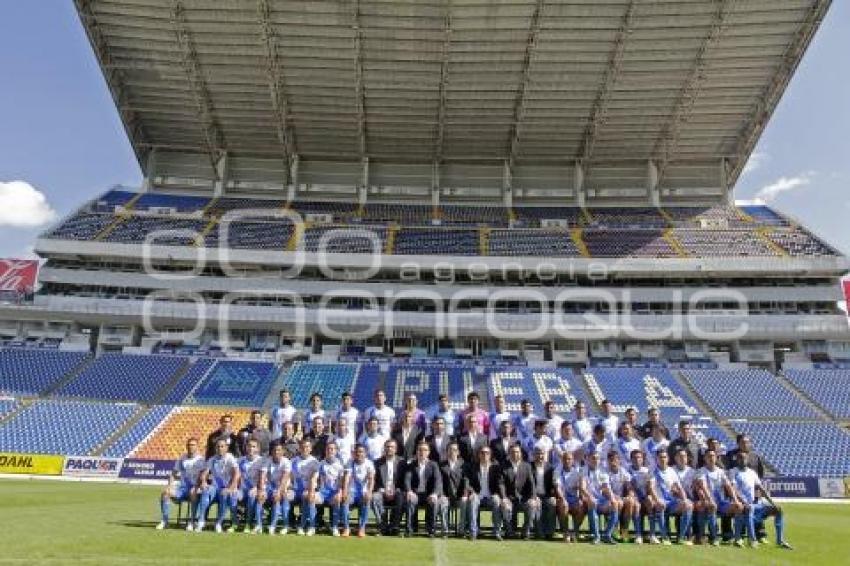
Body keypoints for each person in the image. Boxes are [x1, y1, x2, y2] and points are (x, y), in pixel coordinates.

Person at [730, 452, 791, 549]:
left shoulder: (752, 472)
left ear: (747, 460)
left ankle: (780, 541)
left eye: (744, 458)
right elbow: (733, 489)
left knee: (778, 509)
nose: (742, 460)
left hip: (754, 504)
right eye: (740, 458)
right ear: (737, 460)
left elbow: (761, 489)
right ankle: (752, 540)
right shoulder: (733, 472)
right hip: (741, 504)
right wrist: (742, 501)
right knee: (749, 508)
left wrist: (772, 503)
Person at [694, 448, 741, 546]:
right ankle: (714, 537)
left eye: (713, 456)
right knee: (711, 506)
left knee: (738, 507)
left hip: (721, 502)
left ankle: (737, 538)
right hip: (707, 501)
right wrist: (710, 500)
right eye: (709, 456)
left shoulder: (721, 472)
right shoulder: (701, 471)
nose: (711, 458)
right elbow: (703, 487)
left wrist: (736, 500)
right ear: (705, 458)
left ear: (716, 458)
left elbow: (728, 486)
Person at [156, 437, 204, 531]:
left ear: (197, 446)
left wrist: (197, 486)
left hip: (195, 488)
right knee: (165, 493)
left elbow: (203, 476)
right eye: (189, 445)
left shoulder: (201, 460)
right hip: (182, 488)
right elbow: (173, 473)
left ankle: (192, 521)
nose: (190, 447)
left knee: (193, 493)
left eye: (193, 445)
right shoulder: (182, 458)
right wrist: (169, 486)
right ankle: (165, 521)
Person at [196, 438, 240, 533]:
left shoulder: (230, 458)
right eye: (218, 446)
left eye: (222, 446)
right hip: (215, 488)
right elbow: (204, 473)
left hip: (226, 488)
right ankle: (201, 520)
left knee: (224, 494)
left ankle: (219, 523)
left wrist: (230, 488)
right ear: (215, 448)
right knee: (206, 490)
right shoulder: (212, 459)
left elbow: (237, 473)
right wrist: (203, 482)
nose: (220, 448)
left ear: (226, 448)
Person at [652, 449, 693, 545]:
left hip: (671, 502)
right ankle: (664, 537)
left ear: (668, 459)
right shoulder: (652, 471)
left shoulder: (671, 471)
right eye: (660, 457)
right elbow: (650, 488)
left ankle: (681, 537)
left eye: (665, 457)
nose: (663, 459)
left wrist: (684, 499)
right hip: (659, 501)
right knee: (661, 505)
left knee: (689, 505)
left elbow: (679, 488)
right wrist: (657, 500)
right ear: (656, 459)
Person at [404, 442, 444, 537]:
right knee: (411, 499)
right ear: (416, 452)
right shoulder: (411, 464)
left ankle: (431, 529)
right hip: (416, 494)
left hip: (429, 494)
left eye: (425, 450)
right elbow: (407, 479)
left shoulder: (433, 465)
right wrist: (409, 491)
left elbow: (438, 480)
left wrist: (434, 493)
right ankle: (410, 529)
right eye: (420, 450)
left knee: (434, 501)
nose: (422, 452)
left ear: (428, 452)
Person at [465, 445, 505, 541]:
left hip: (491, 496)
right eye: (482, 453)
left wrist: (500, 496)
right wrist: (472, 492)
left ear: (490, 455)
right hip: (478, 496)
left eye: (487, 453)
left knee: (496, 500)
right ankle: (473, 532)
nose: (484, 455)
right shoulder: (473, 467)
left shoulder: (496, 468)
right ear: (479, 455)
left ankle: (497, 532)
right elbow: (467, 482)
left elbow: (500, 483)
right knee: (473, 500)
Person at [582, 450, 619, 544]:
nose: (596, 460)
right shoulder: (583, 470)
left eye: (598, 458)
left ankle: (607, 535)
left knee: (615, 504)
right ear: (588, 459)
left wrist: (612, 499)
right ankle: (596, 536)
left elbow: (606, 487)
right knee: (592, 502)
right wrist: (590, 497)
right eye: (593, 458)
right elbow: (582, 488)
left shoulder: (603, 472)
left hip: (600, 500)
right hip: (587, 499)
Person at [371, 439, 405, 535]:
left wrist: (396, 489)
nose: (389, 449)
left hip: (397, 491)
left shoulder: (402, 462)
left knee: (401, 497)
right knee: (374, 498)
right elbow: (374, 480)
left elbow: (405, 480)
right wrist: (381, 490)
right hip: (381, 491)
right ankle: (383, 526)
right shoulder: (377, 463)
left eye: (392, 447)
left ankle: (394, 527)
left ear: (396, 449)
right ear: (384, 448)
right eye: (387, 447)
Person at [502, 443, 534, 539]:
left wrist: (533, 498)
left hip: (523, 498)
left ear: (521, 453)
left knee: (532, 506)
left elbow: (531, 484)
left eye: (517, 452)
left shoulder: (527, 466)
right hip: (509, 498)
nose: (515, 454)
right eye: (513, 452)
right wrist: (504, 497)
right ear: (509, 453)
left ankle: (525, 531)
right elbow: (501, 484)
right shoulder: (503, 466)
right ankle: (509, 532)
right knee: (505, 507)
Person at [316, 442, 347, 537]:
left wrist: (340, 492)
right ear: (325, 451)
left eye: (332, 449)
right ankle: (312, 527)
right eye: (328, 449)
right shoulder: (321, 463)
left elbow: (342, 481)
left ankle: (334, 527)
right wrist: (314, 490)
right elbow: (315, 478)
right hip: (322, 492)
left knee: (337, 499)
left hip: (334, 492)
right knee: (312, 498)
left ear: (336, 451)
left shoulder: (340, 465)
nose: (330, 451)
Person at [291, 438, 321, 536]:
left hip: (309, 490)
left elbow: (314, 479)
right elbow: (288, 476)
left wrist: (310, 491)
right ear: (299, 448)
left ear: (311, 449)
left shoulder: (314, 462)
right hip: (295, 490)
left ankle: (309, 526)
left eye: (307, 447)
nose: (305, 449)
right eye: (303, 447)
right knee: (285, 496)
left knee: (307, 496)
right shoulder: (293, 461)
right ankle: (286, 525)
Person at [554, 450, 585, 543]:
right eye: (565, 459)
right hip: (562, 498)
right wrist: (563, 499)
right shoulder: (557, 471)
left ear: (573, 460)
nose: (567, 461)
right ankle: (566, 532)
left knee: (581, 506)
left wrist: (580, 498)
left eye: (569, 459)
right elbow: (557, 488)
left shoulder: (578, 471)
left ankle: (575, 532)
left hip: (574, 498)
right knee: (564, 506)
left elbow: (581, 486)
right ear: (562, 460)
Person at [261, 443, 292, 535]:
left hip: (285, 486)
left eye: (279, 450)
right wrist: (262, 489)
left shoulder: (286, 462)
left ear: (283, 451)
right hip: (271, 486)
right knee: (260, 496)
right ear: (271, 452)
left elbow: (285, 478)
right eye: (274, 450)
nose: (276, 452)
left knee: (282, 497)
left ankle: (284, 526)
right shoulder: (268, 461)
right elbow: (263, 475)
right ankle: (259, 525)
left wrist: (279, 491)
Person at [345, 444, 375, 538]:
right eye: (358, 451)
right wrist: (345, 491)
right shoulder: (350, 462)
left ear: (365, 453)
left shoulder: (369, 463)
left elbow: (371, 479)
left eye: (361, 452)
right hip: (352, 492)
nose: (359, 454)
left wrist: (369, 492)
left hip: (363, 492)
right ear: (354, 453)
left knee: (367, 500)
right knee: (344, 500)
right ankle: (346, 528)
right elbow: (346, 478)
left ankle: (362, 528)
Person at [236, 438, 266, 533]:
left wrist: (257, 488)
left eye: (253, 446)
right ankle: (234, 522)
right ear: (246, 447)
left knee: (252, 494)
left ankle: (248, 523)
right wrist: (234, 488)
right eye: (249, 446)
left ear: (258, 449)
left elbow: (264, 478)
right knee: (232, 495)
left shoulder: (262, 461)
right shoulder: (240, 460)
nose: (251, 448)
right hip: (242, 489)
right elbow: (236, 476)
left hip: (257, 488)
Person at [605, 450, 635, 542]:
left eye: (615, 460)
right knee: (618, 503)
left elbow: (629, 487)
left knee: (630, 502)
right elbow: (604, 490)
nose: (613, 462)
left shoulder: (624, 472)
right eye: (611, 460)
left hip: (619, 498)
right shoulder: (604, 472)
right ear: (608, 461)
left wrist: (630, 495)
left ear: (619, 460)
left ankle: (624, 531)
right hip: (607, 498)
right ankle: (614, 529)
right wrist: (614, 497)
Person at [439, 441, 468, 536]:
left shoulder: (464, 465)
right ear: (447, 451)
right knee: (442, 501)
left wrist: (465, 494)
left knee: (465, 502)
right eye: (450, 450)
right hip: (446, 496)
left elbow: (466, 481)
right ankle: (445, 530)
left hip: (460, 496)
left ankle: (461, 529)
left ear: (458, 452)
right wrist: (442, 494)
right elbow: (439, 482)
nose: (452, 452)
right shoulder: (441, 465)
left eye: (454, 450)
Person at [528, 446, 556, 539]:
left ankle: (550, 532)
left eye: (542, 454)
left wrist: (553, 495)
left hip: (547, 495)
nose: (540, 456)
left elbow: (553, 484)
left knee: (552, 503)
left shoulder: (550, 467)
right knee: (537, 504)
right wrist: (533, 496)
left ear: (545, 455)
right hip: (533, 495)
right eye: (538, 454)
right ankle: (539, 533)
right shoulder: (529, 466)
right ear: (533, 455)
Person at [628, 449, 656, 544]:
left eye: (639, 457)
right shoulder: (627, 470)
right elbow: (629, 487)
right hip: (634, 497)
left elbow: (650, 487)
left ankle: (652, 535)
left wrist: (647, 496)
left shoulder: (647, 471)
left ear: (643, 459)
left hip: (645, 496)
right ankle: (638, 535)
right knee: (636, 505)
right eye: (635, 458)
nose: (637, 460)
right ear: (631, 459)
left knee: (649, 501)